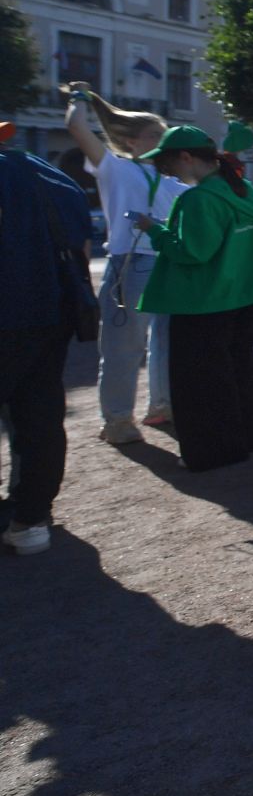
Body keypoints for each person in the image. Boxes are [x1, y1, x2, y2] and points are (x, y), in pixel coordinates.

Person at [131, 125, 253, 473]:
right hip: (244, 295)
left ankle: (214, 452)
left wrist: (155, 230)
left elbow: (193, 253)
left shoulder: (198, 199)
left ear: (186, 157)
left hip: (203, 302)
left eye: (166, 162)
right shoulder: (242, 189)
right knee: (237, 372)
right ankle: (251, 435)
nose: (164, 170)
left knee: (200, 384)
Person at [60, 83, 185, 445]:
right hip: (137, 264)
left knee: (152, 344)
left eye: (164, 135)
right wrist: (79, 99)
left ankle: (151, 410)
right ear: (131, 142)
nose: (163, 140)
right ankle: (119, 419)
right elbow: (77, 127)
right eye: (154, 135)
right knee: (129, 346)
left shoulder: (169, 179)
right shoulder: (115, 168)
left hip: (160, 264)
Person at [1, 119, 95, 554]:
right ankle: (31, 519)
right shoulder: (50, 172)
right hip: (52, 311)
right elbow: (83, 246)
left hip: (10, 310)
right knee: (39, 414)